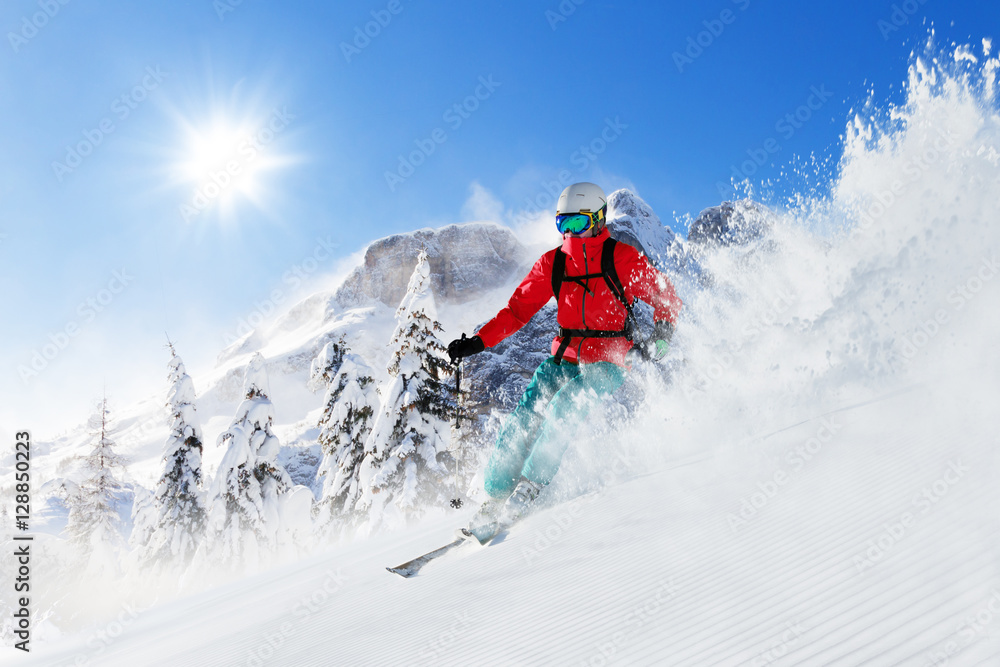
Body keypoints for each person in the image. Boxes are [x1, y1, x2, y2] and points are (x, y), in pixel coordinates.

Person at [447, 182, 682, 542]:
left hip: (609, 361)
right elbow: (517, 311)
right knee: (525, 415)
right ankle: (494, 497)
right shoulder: (554, 263)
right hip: (564, 358)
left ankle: (531, 486)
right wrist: (479, 342)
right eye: (563, 224)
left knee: (564, 406)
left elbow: (665, 295)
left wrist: (663, 335)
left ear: (599, 220)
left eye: (578, 223)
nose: (570, 233)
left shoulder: (622, 258)